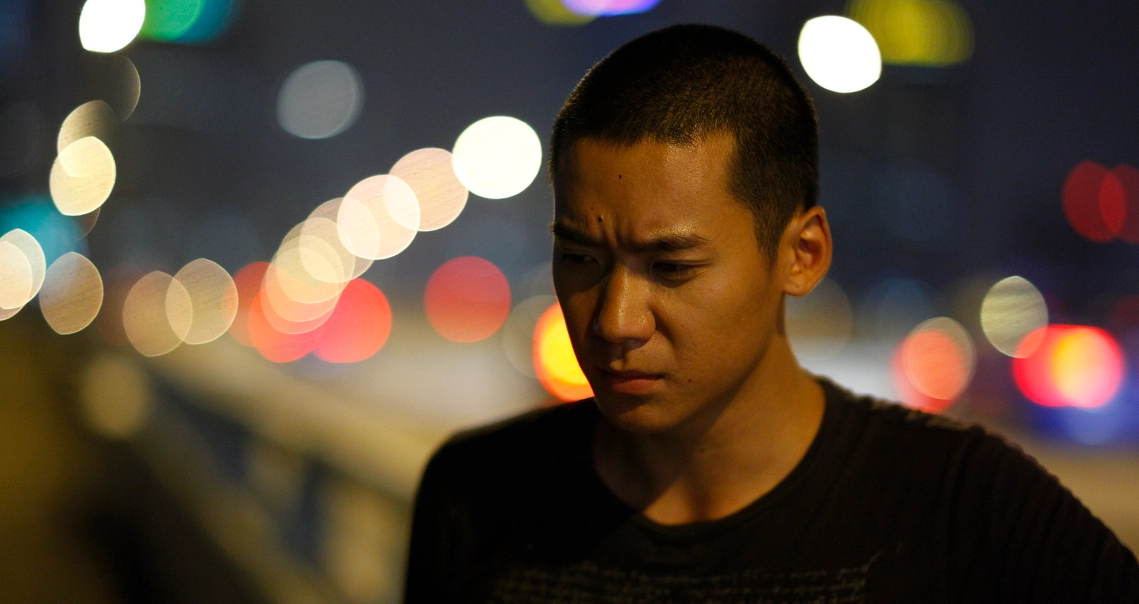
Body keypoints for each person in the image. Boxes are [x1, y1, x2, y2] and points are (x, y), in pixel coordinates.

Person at [404, 24, 1139, 602]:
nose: (615, 319)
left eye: (671, 267)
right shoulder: (476, 496)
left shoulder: (969, 512)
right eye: (581, 258)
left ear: (802, 254)